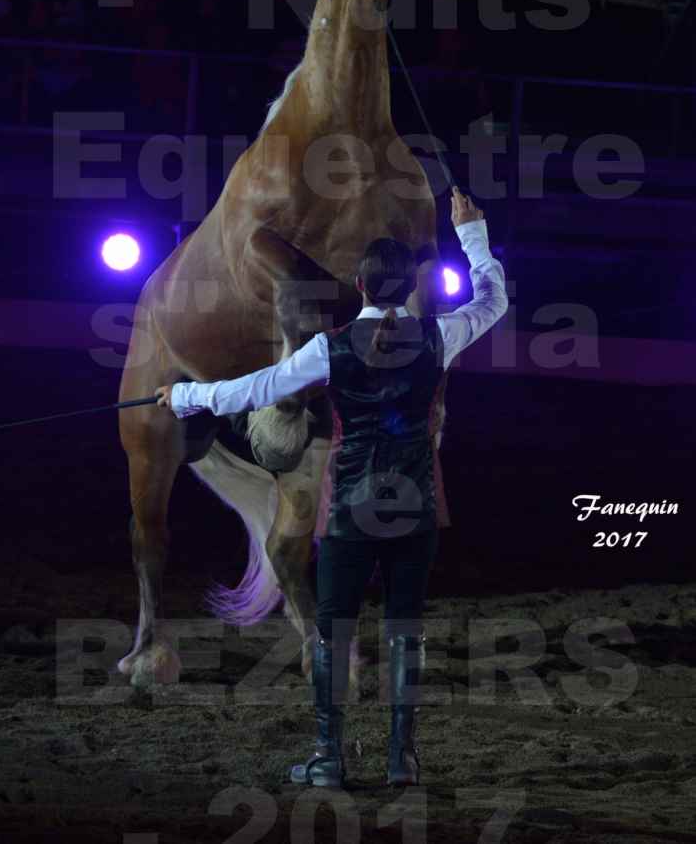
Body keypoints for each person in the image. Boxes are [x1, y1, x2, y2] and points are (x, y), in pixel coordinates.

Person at [155, 189, 508, 789]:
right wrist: (472, 233)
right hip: (416, 505)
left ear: (363, 289)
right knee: (406, 629)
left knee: (334, 630)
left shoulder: (331, 346)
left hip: (349, 504)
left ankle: (327, 755)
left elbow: (255, 389)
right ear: (407, 288)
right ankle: (403, 759)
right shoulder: (440, 336)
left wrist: (184, 396)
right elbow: (494, 299)